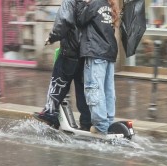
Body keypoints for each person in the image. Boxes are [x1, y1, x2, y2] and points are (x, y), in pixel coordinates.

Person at [33, 0, 91, 131]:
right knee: (82, 89)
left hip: (69, 51)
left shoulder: (69, 2)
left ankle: (50, 113)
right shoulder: (91, 3)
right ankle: (87, 122)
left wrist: (52, 38)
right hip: (85, 53)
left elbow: (63, 22)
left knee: (58, 82)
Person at [76, 0, 120, 134]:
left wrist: (84, 3)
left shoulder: (94, 4)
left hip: (95, 52)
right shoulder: (110, 6)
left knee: (94, 88)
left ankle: (101, 125)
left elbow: (80, 20)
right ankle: (108, 120)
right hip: (109, 53)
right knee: (108, 89)